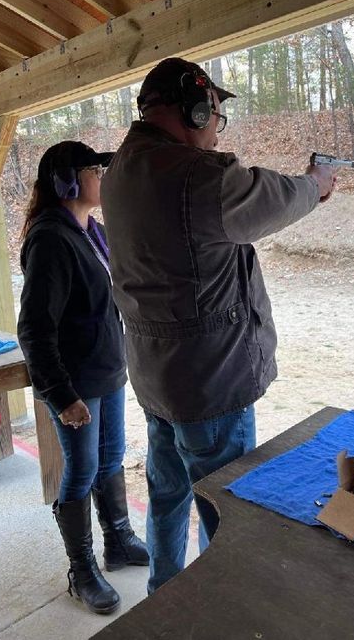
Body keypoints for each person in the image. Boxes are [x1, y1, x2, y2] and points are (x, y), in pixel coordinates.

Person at [100, 57, 336, 593]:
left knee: (166, 495)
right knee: (223, 506)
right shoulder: (195, 175)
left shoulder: (119, 171)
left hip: (156, 377)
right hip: (209, 381)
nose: (214, 129)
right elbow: (268, 199)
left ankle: (164, 593)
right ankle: (221, 603)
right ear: (195, 107)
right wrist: (316, 183)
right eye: (213, 115)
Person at [17, 141, 148, 615]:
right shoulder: (50, 238)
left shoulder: (93, 229)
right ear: (68, 181)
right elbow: (33, 328)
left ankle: (117, 539)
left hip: (107, 371)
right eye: (95, 169)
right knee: (81, 472)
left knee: (110, 459)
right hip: (75, 383)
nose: (102, 177)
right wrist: (61, 394)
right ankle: (83, 570)